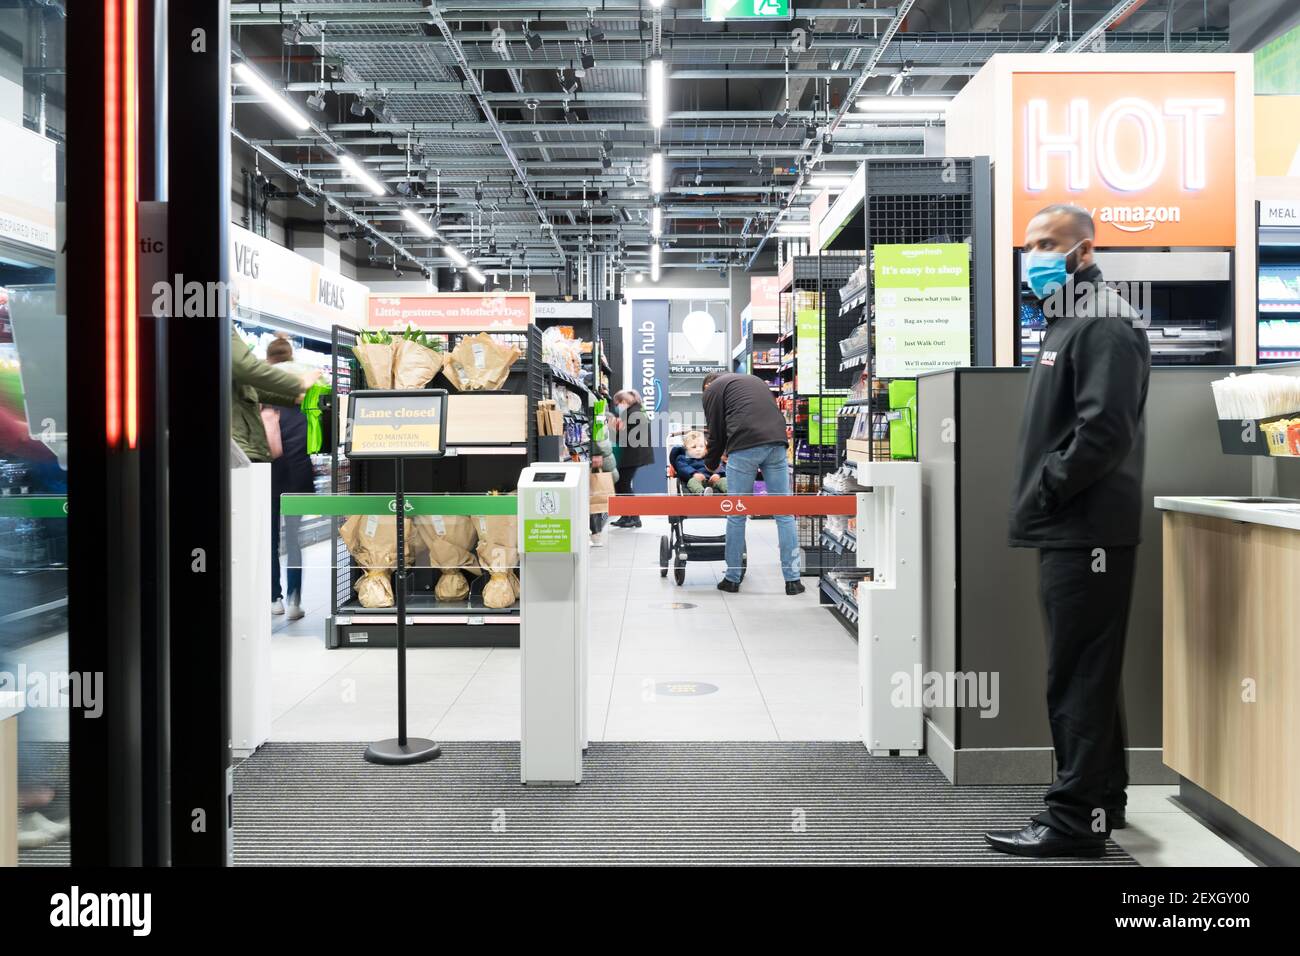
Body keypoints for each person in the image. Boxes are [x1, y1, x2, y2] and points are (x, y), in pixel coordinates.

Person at [986, 204, 1150, 859]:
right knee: (1088, 670)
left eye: (1048, 244)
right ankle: (1102, 803)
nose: (1035, 256)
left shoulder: (1103, 321)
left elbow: (1104, 431)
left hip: (1088, 530)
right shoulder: (1067, 320)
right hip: (1073, 526)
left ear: (1085, 250)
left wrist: (1050, 488)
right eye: (1029, 245)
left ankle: (1074, 819)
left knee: (1076, 674)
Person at [700, 371, 802, 595]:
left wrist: (710, 464)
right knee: (784, 513)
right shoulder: (751, 380)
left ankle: (732, 578)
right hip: (777, 442)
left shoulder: (712, 391)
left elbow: (716, 433)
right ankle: (793, 580)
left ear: (707, 386)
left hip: (745, 446)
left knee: (737, 513)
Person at [265, 335, 318, 619]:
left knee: (270, 540)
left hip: (270, 475)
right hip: (296, 475)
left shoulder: (263, 396)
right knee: (295, 540)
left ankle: (275, 597)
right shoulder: (302, 399)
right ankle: (296, 600)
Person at [231, 328, 318, 463]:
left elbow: (249, 385)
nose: (234, 305)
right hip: (244, 444)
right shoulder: (219, 317)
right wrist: (298, 385)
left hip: (250, 443)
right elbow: (245, 367)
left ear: (269, 357)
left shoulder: (269, 373)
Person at [609, 388, 655, 529]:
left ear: (624, 401)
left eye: (618, 403)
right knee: (622, 485)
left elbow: (625, 438)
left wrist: (613, 429)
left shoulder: (633, 413)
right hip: (634, 454)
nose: (617, 406)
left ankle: (633, 518)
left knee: (623, 485)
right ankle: (627, 517)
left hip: (632, 455)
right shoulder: (637, 410)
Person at [589, 412, 618, 547]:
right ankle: (597, 532)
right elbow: (600, 443)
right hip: (604, 466)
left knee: (598, 502)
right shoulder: (601, 425)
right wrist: (597, 454)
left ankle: (596, 532)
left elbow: (599, 443)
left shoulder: (601, 425)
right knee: (601, 503)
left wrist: (596, 454)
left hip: (603, 467)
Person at [674, 430, 727, 494]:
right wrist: (694, 474)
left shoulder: (710, 458)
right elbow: (682, 468)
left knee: (724, 480)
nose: (698, 449)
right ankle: (702, 493)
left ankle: (732, 493)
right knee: (692, 482)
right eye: (694, 447)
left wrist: (718, 474)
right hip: (696, 480)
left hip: (713, 480)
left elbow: (720, 465)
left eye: (701, 446)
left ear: (706, 447)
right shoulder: (682, 458)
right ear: (686, 449)